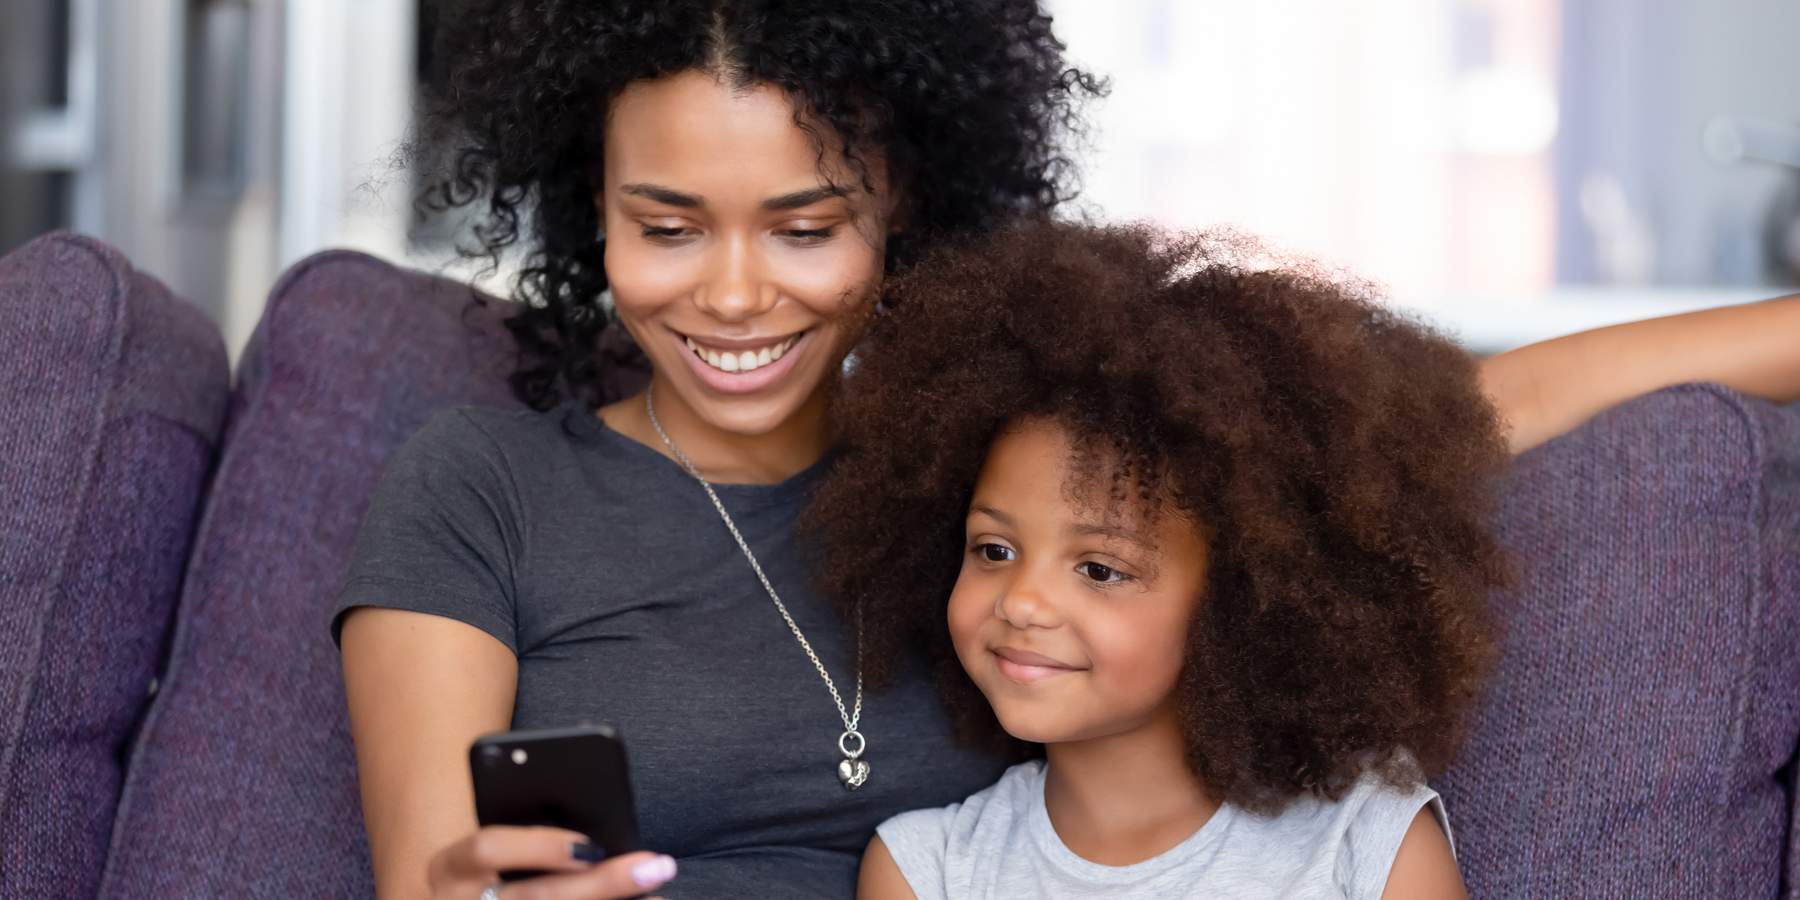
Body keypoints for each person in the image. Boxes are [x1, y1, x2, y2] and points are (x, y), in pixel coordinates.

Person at [334, 2, 1800, 898]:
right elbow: (433, 875)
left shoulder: (1000, 457)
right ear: (584, 214)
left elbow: (1452, 411)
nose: (732, 294)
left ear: (900, 216)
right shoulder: (482, 490)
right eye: (666, 227)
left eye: (805, 227)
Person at [807, 222, 1501, 898]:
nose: (1020, 601)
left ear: (1241, 603)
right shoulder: (928, 871)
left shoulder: (1364, 844)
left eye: (1099, 569)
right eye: (995, 550)